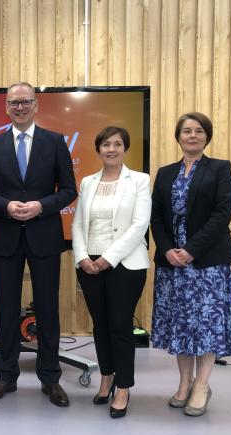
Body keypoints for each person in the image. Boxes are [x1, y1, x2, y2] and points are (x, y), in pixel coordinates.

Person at [0, 82, 77, 406]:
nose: (19, 107)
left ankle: (50, 378)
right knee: (6, 310)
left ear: (36, 105)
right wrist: (5, 206)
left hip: (44, 236)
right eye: (13, 103)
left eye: (25, 102)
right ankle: (6, 376)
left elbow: (68, 190)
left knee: (47, 309)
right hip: (6, 236)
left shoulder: (55, 142)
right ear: (6, 107)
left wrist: (41, 206)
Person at [151, 112, 231, 417]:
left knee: (206, 326)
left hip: (207, 263)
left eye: (198, 131)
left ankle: (202, 385)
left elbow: (221, 215)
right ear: (178, 137)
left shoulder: (219, 169)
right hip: (172, 264)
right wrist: (167, 250)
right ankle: (184, 382)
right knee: (181, 325)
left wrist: (190, 250)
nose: (192, 136)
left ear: (206, 136)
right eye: (186, 131)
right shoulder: (165, 173)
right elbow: (157, 217)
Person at [71, 127, 150, 418]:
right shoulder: (88, 182)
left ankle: (124, 387)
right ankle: (106, 376)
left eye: (118, 144)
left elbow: (139, 225)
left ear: (125, 149)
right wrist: (81, 257)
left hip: (125, 264)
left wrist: (107, 259)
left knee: (119, 326)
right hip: (88, 264)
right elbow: (78, 224)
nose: (112, 149)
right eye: (106, 144)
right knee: (100, 324)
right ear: (99, 149)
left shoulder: (140, 181)